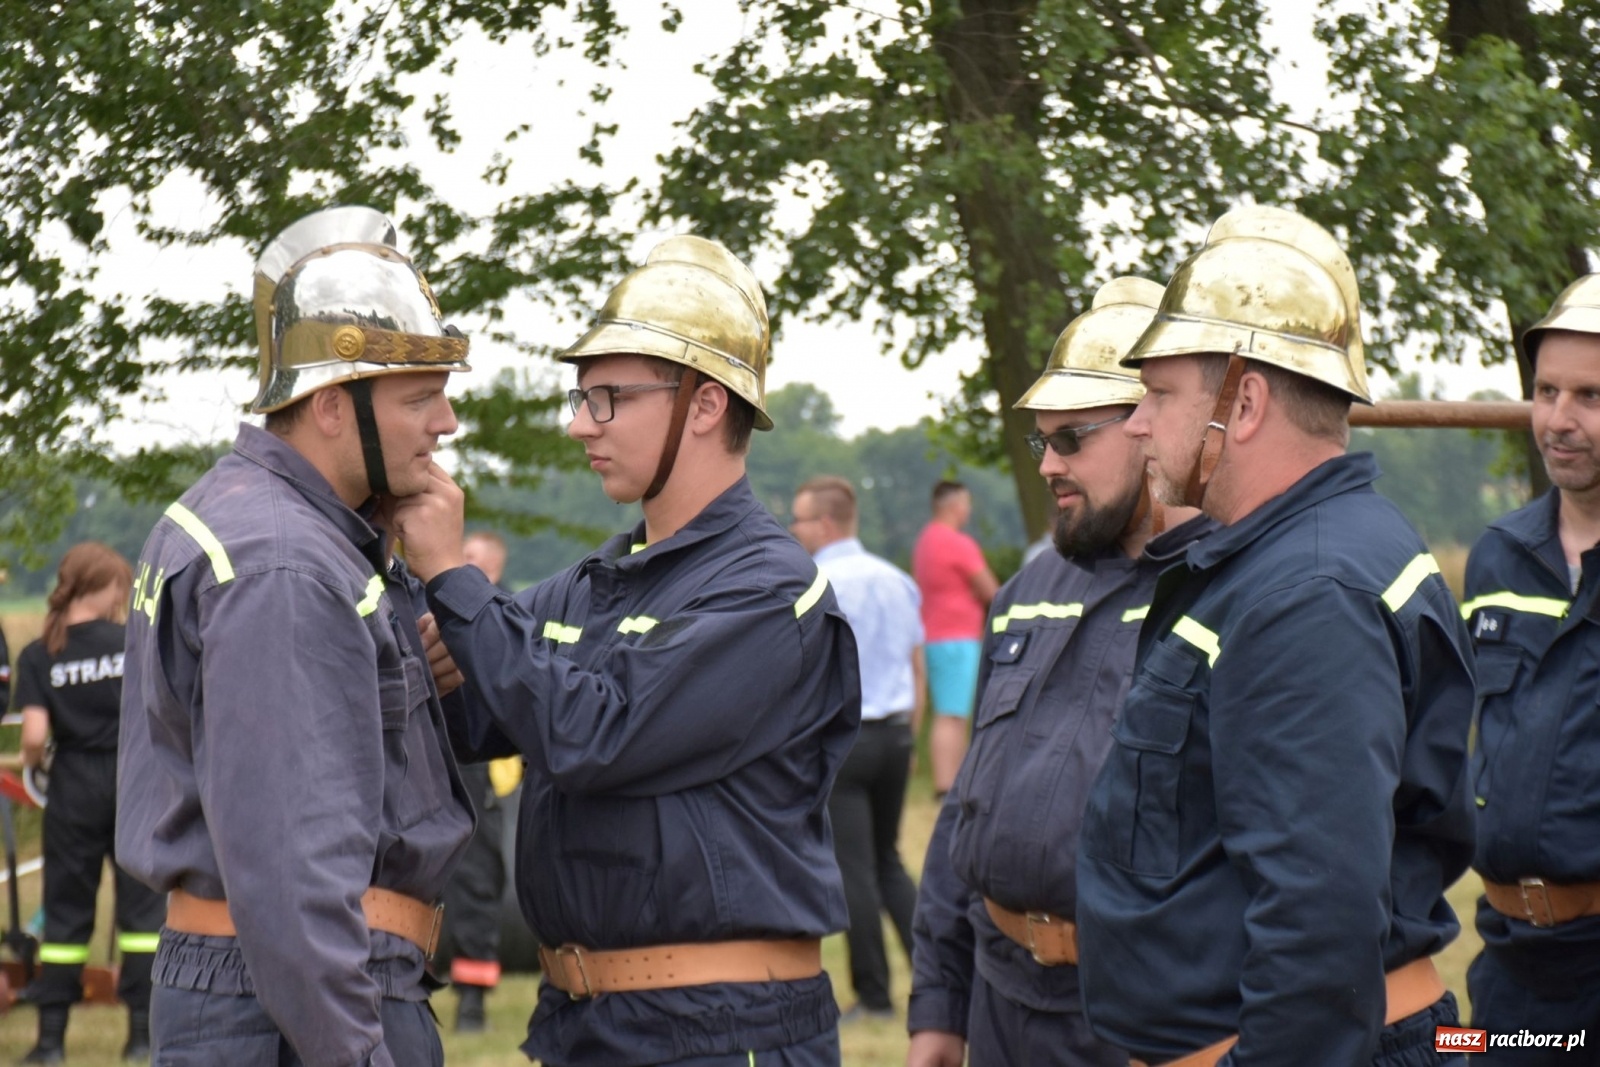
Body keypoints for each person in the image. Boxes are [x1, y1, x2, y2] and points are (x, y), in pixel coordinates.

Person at [393, 235, 861, 1066]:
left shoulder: (765, 590)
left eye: (607, 397)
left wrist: (456, 583)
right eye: (580, 397)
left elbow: (591, 735)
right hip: (584, 1022)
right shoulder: (595, 582)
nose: (580, 425)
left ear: (706, 404)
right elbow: (468, 720)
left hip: (719, 1032)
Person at [1075, 205, 1477, 1066]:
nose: (1137, 420)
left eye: (1159, 391)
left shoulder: (1308, 592)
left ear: (1244, 402)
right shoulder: (1298, 559)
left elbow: (1317, 925)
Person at [116, 205, 475, 1067]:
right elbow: (291, 869)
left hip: (266, 989)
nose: (446, 424)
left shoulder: (263, 526)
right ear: (329, 405)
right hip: (294, 999)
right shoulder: (286, 564)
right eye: (421, 397)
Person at [906, 278, 1209, 1067]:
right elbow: (966, 813)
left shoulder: (1234, 596)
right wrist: (940, 1003)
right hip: (1003, 1003)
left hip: (1149, 1022)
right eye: (1041, 440)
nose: (1047, 464)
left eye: (1071, 439)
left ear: (1153, 424)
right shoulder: (1027, 594)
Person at [1461, 272, 1600, 1064]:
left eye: (1589, 395)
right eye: (1547, 391)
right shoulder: (1497, 556)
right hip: (1509, 967)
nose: (1559, 420)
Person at [12, 542, 163, 1063]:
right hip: (133, 781)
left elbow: (33, 737)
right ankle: (141, 1038)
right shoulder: (132, 643)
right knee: (143, 913)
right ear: (103, 588)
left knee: (66, 913)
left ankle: (51, 1041)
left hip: (73, 785)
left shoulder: (39, 654)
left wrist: (43, 763)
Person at [790, 474, 924, 1024]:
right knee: (889, 859)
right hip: (894, 733)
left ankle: (873, 996)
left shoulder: (816, 582)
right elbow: (916, 665)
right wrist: (910, 734)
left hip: (846, 741)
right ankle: (937, 975)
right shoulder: (897, 579)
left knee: (855, 870)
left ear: (824, 523)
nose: (793, 530)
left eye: (798, 519)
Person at [438, 529, 516, 1032]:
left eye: (476, 563)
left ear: (495, 573)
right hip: (430, 758)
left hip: (479, 771)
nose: (464, 569)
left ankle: (471, 1005)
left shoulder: (503, 621)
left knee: (476, 885)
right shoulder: (427, 609)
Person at [912, 481, 999, 795]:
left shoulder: (926, 540)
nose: (968, 511)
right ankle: (948, 786)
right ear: (955, 506)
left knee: (948, 711)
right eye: (966, 504)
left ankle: (951, 782)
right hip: (957, 638)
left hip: (933, 635)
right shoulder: (956, 543)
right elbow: (991, 590)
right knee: (953, 715)